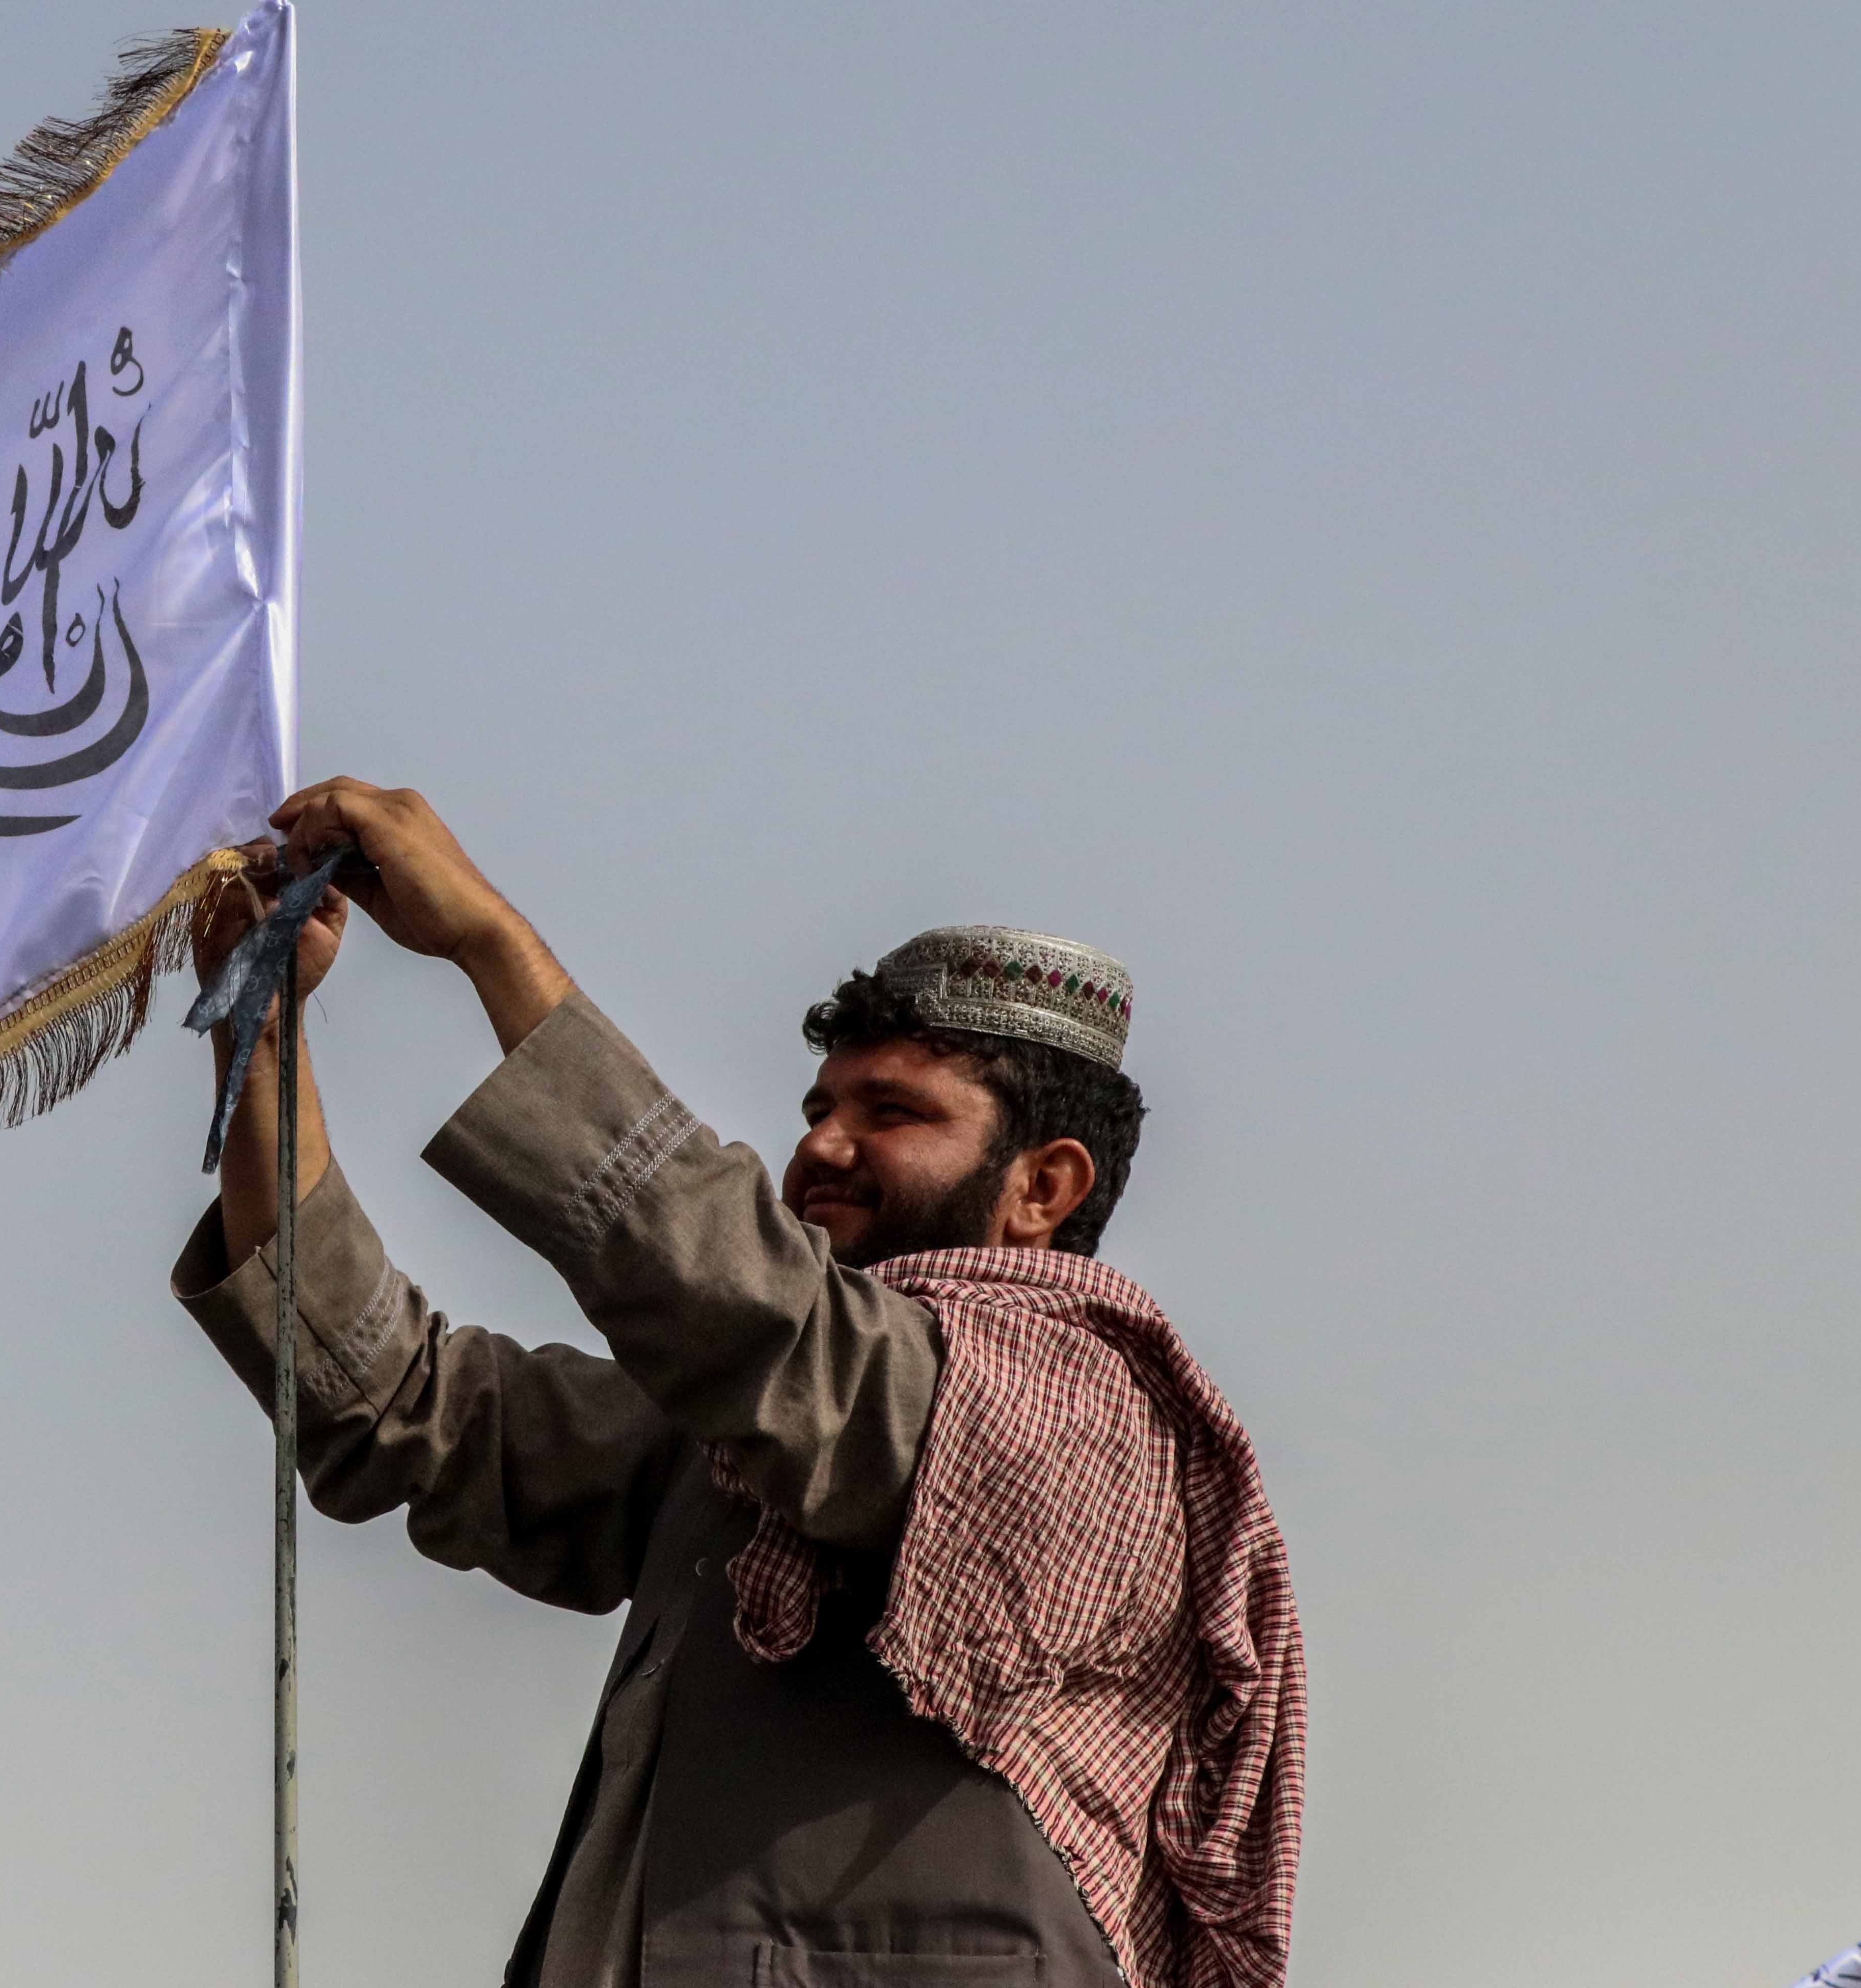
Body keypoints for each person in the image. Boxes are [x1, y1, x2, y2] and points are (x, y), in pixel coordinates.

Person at [174, 780, 1306, 1988]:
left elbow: (762, 1322)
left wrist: (489, 942)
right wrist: (263, 1036)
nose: (821, 1144)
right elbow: (400, 1406)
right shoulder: (754, 1431)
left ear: (1044, 1186)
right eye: (820, 1106)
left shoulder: (1089, 1411)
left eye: (893, 1111)